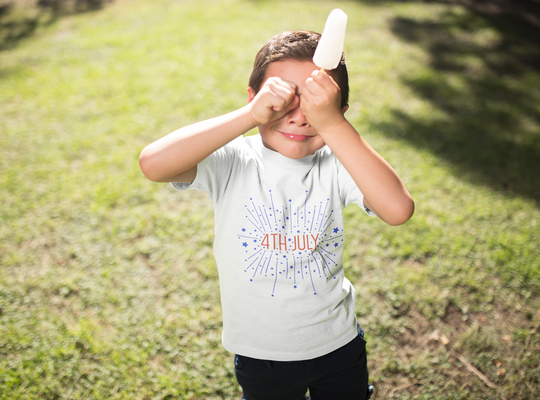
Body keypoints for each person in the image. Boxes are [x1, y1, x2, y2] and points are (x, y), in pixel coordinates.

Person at [139, 30, 414, 400]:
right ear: (255, 99)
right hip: (261, 352)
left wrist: (332, 126)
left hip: (338, 342)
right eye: (285, 99)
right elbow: (153, 164)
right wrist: (249, 116)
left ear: (339, 112)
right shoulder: (234, 159)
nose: (299, 118)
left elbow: (398, 209)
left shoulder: (337, 162)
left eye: (316, 105)